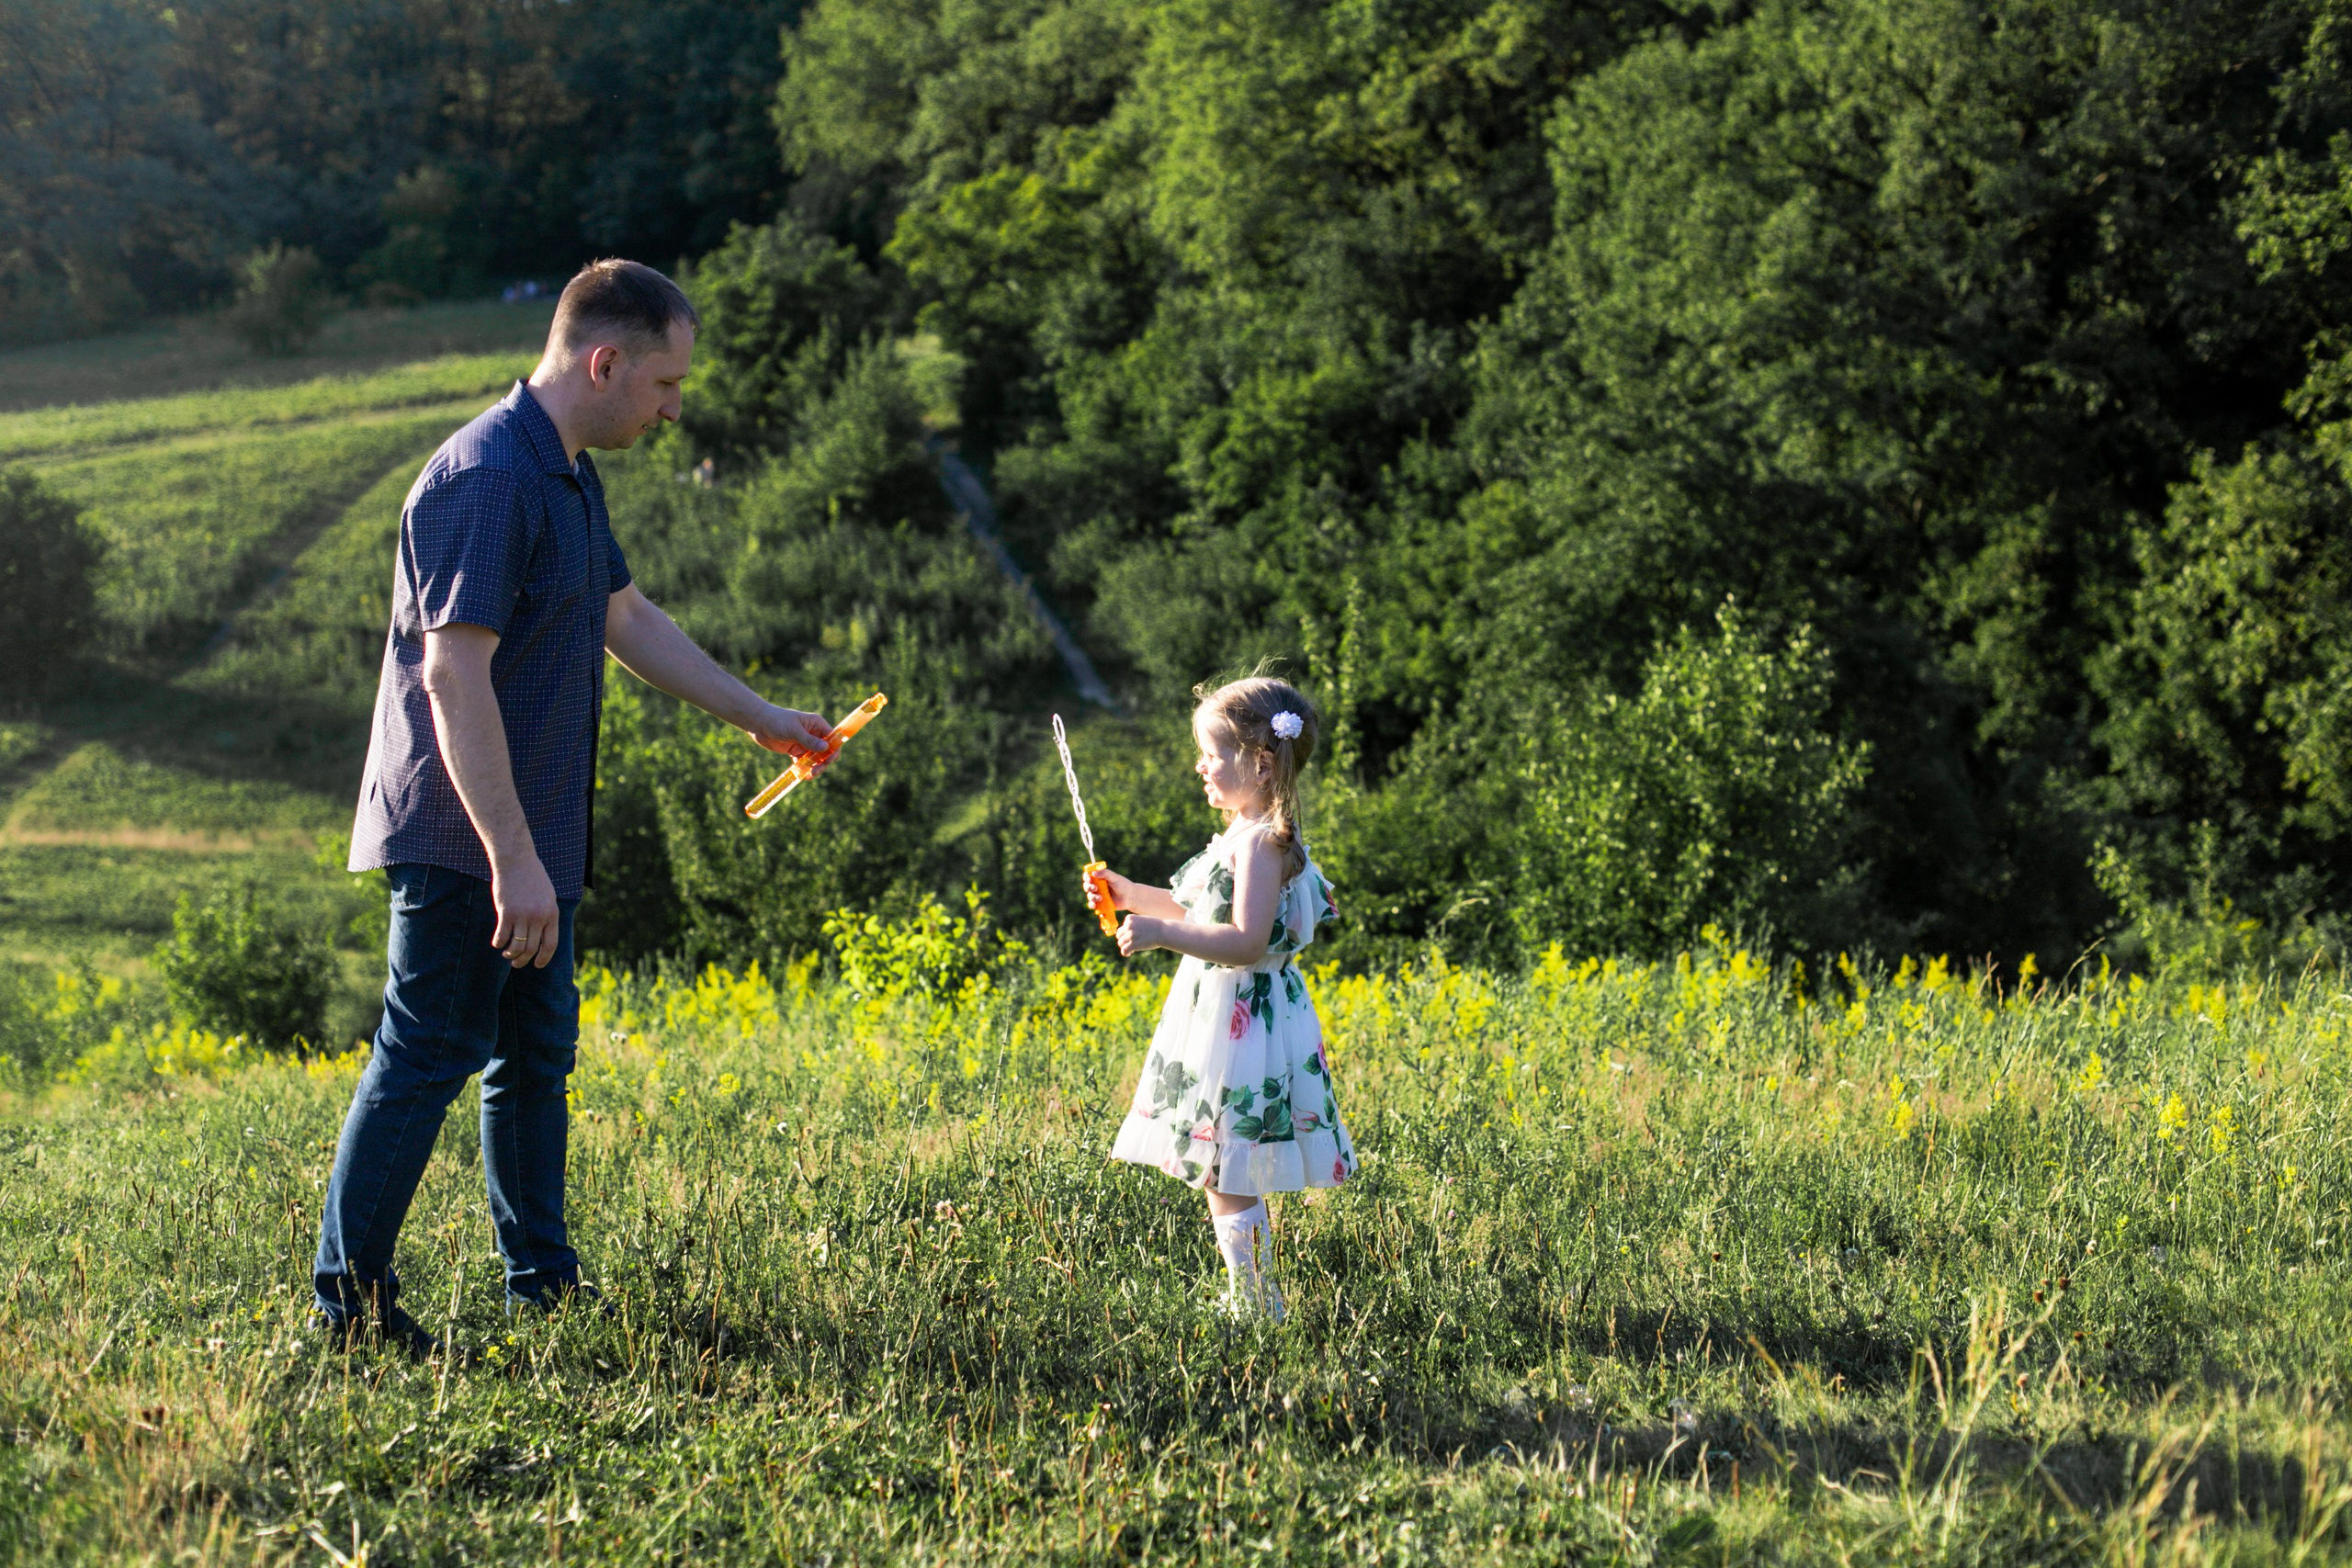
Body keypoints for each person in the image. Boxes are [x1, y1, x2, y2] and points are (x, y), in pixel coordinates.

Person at [312, 258, 833, 1355]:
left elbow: (625, 617)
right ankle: (347, 1308)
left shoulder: (566, 474)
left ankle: (542, 1286)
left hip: (534, 838)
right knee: (427, 1054)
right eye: (665, 383)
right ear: (605, 363)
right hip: (468, 834)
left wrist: (762, 717)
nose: (674, 408)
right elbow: (452, 676)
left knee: (532, 1060)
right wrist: (511, 859)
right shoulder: (487, 478)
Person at [1087, 674, 1359, 1322]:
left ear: (1261, 765)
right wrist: (1128, 894)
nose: (1200, 766)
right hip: (1229, 1014)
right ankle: (1252, 1296)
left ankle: (1257, 1303)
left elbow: (1243, 939)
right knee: (1221, 1167)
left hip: (1243, 1022)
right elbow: (1196, 909)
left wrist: (1159, 934)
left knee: (1227, 1166)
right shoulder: (1244, 831)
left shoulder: (1264, 844)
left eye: (1211, 754)